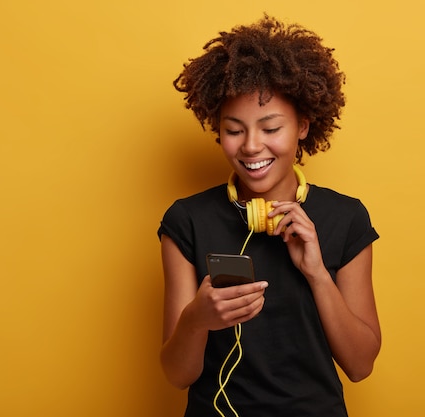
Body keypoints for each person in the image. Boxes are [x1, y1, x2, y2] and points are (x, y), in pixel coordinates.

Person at [157, 15, 381, 417]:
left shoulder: (346, 218)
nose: (251, 146)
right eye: (234, 130)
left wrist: (316, 273)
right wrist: (196, 319)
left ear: (303, 126)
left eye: (270, 127)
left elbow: (361, 365)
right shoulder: (186, 220)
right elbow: (177, 375)